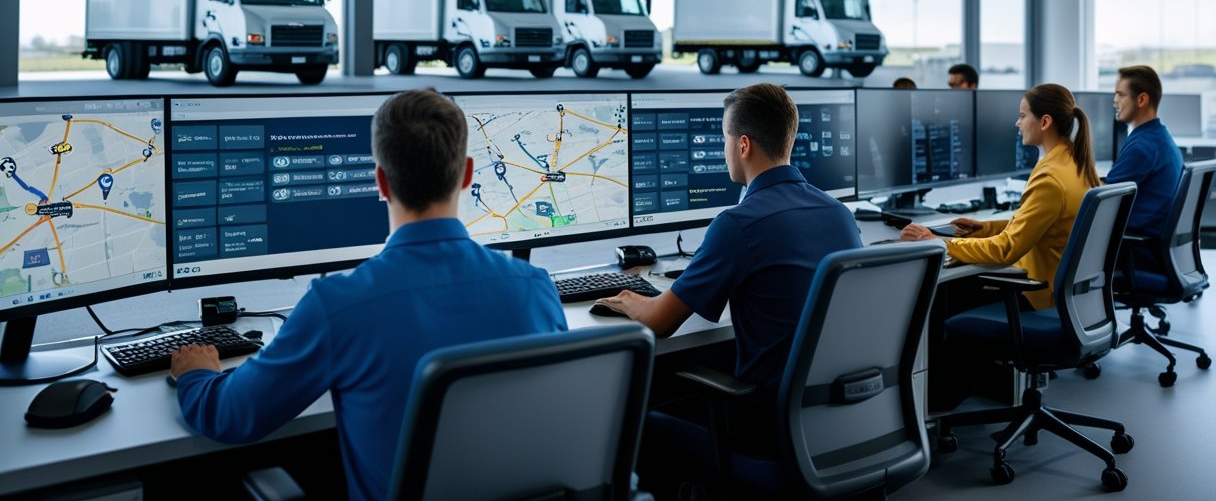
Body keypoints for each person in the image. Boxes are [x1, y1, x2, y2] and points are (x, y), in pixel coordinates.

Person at [170, 89, 567, 501]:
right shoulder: (535, 288)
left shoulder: (338, 305)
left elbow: (231, 416)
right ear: (467, 175)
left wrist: (196, 374)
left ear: (379, 181)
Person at [597, 83, 862, 462]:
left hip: (769, 430)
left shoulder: (738, 224)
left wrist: (627, 299)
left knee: (640, 423)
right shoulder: (838, 214)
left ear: (742, 145)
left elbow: (660, 322)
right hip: (835, 423)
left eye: (724, 139)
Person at [901, 83, 1099, 310]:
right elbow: (1040, 226)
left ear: (1044, 122)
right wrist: (984, 229)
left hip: (1035, 293)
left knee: (940, 295)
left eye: (1023, 116)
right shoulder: (1073, 163)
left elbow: (1005, 249)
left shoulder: (1051, 178)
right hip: (1065, 295)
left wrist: (940, 243)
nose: (1017, 123)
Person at [1107, 65, 1183, 259]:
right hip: (1154, 251)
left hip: (1137, 254)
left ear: (1141, 99)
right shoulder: (1160, 137)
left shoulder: (1142, 147)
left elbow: (1103, 201)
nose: (1114, 101)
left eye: (1120, 95)